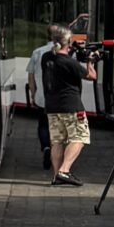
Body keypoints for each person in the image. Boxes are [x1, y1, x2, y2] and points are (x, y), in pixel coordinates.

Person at [40, 25, 91, 185]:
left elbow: (58, 56)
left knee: (57, 141)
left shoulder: (46, 57)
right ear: (68, 41)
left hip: (52, 108)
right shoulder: (69, 62)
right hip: (71, 107)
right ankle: (64, 171)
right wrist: (91, 61)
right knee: (80, 138)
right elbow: (91, 76)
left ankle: (56, 176)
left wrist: (72, 49)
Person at [23, 32, 55, 170]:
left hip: (42, 97)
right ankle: (56, 153)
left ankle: (46, 147)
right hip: (60, 99)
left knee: (43, 124)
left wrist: (33, 93)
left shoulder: (37, 52)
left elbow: (30, 76)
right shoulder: (65, 52)